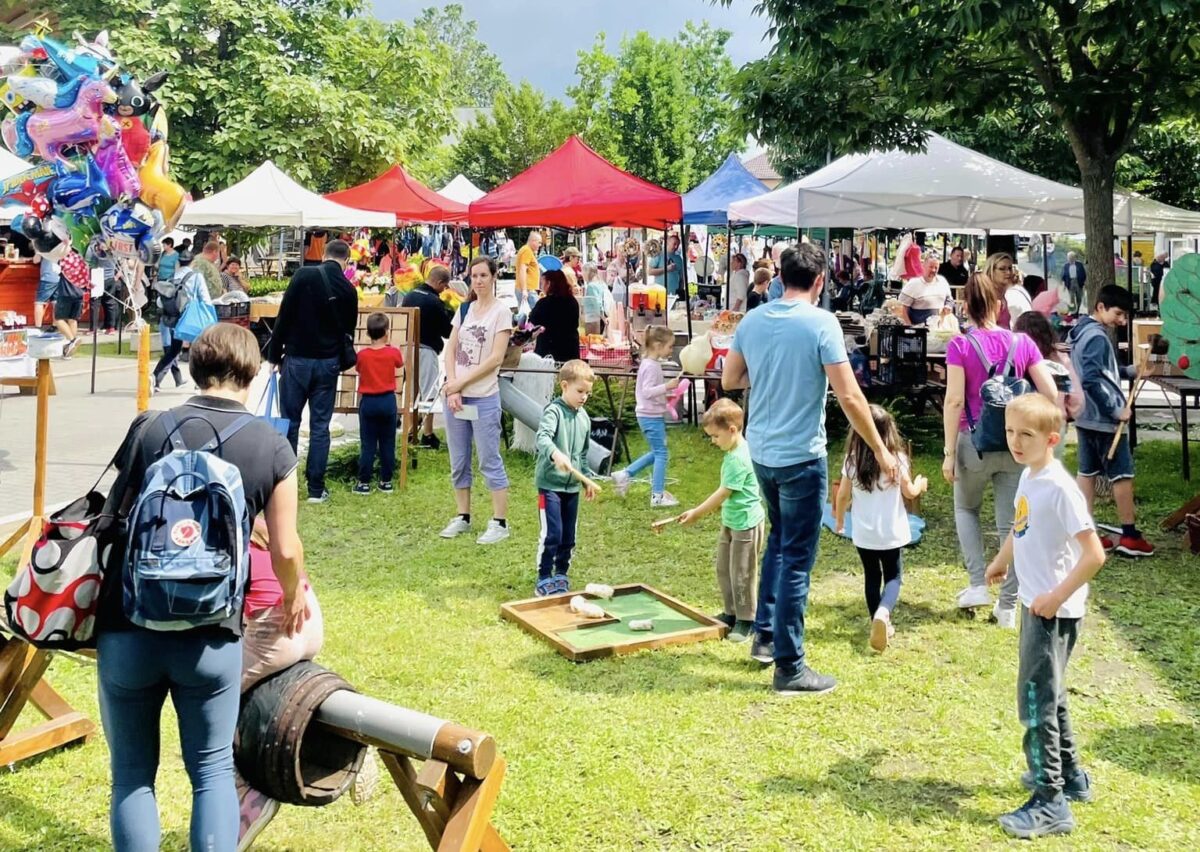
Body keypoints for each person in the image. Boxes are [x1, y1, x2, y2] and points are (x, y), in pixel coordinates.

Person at [96, 323, 307, 852]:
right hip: (211, 635)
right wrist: (292, 594)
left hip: (129, 625)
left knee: (131, 775)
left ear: (195, 367)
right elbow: (285, 549)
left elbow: (111, 518)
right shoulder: (272, 446)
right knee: (211, 772)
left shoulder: (150, 428)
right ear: (253, 373)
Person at [722, 243, 896, 694]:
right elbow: (850, 396)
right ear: (820, 280)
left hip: (762, 453)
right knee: (796, 560)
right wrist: (880, 449)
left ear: (780, 277)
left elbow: (729, 379)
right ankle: (790, 666)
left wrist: (770, 375)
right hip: (800, 456)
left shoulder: (752, 320)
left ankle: (765, 636)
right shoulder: (821, 323)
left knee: (779, 543)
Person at [984, 393, 1105, 839]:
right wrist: (1002, 560)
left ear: (1052, 439)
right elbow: (1021, 526)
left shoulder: (1059, 488)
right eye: (1010, 432)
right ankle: (1070, 777)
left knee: (1035, 702)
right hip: (1037, 603)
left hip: (1051, 612)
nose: (1015, 442)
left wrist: (1056, 597)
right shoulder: (1029, 475)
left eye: (1027, 435)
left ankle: (1049, 801)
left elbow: (1094, 555)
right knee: (1050, 694)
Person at [942, 272, 1059, 627]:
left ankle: (978, 584)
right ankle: (1007, 606)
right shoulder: (1023, 343)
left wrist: (948, 453)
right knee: (1014, 523)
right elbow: (1051, 392)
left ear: (965, 307)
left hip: (973, 442)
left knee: (966, 508)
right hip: (1016, 444)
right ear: (999, 305)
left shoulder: (959, 345)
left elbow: (954, 400)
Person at [237, 516, 324, 848]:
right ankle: (345, 738)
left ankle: (248, 794)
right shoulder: (262, 515)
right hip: (309, 614)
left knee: (211, 706)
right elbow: (289, 552)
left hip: (272, 626)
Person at [267, 238, 357, 504]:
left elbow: (283, 316)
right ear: (346, 261)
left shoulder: (303, 276)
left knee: (290, 422)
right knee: (320, 426)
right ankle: (316, 489)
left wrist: (273, 355)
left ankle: (284, 484)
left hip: (296, 359)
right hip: (328, 363)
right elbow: (348, 332)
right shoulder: (349, 290)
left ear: (324, 255)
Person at [1067, 284, 1155, 556]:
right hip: (1104, 419)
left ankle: (1086, 535)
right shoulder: (1096, 337)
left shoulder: (1081, 331)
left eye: (1125, 315)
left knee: (1087, 473)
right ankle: (1130, 537)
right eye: (1118, 314)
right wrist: (1116, 410)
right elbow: (1091, 379)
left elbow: (1104, 370)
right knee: (1122, 474)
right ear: (1100, 307)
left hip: (1085, 416)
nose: (1122, 320)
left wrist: (1130, 371)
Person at [833, 405, 928, 653]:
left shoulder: (852, 461)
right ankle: (883, 613)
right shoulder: (897, 459)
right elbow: (910, 492)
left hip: (864, 534)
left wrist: (840, 520)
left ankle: (875, 617)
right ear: (889, 432)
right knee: (893, 576)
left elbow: (842, 495)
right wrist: (920, 483)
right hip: (891, 533)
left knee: (872, 576)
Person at [677, 398, 765, 644]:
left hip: (746, 524)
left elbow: (723, 492)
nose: (713, 441)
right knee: (724, 568)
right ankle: (731, 612)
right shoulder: (733, 452)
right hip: (731, 520)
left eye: (716, 436)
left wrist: (697, 513)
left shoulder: (738, 458)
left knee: (742, 573)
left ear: (732, 430)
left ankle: (747, 619)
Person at [441, 256, 513, 545]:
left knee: (489, 459)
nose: (479, 281)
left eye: (483, 275)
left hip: (483, 396)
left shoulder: (501, 312)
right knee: (459, 459)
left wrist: (461, 383)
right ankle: (463, 515)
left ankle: (499, 521)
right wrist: (453, 386)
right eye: (474, 276)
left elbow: (495, 358)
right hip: (457, 396)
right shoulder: (465, 309)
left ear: (493, 277)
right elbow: (451, 349)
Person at [533, 359, 601, 596]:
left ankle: (561, 573)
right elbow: (542, 438)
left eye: (587, 393)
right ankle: (544, 576)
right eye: (580, 391)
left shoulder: (584, 418)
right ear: (564, 386)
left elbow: (582, 455)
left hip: (571, 488)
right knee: (552, 533)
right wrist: (555, 454)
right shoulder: (554, 412)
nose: (584, 397)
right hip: (550, 485)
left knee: (568, 535)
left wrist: (585, 479)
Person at [610, 326, 680, 507]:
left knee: (657, 452)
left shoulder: (650, 364)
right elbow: (648, 391)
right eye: (670, 346)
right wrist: (667, 387)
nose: (671, 350)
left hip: (649, 415)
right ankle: (657, 496)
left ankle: (625, 474)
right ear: (657, 345)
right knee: (661, 454)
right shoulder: (650, 366)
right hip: (650, 416)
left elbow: (649, 392)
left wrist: (665, 397)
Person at [402, 264, 453, 450]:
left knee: (412, 391)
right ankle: (428, 434)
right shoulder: (434, 302)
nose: (444, 290)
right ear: (439, 282)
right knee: (429, 392)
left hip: (407, 347)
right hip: (426, 349)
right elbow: (447, 331)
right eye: (444, 286)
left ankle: (410, 430)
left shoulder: (409, 295)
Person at [352, 312, 404, 495]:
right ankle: (386, 481)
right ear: (387, 332)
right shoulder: (393, 353)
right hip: (388, 400)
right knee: (388, 442)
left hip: (368, 401)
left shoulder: (362, 355)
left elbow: (358, 369)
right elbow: (400, 363)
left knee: (368, 444)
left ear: (367, 333)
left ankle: (363, 482)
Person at [1014, 311, 1084, 436]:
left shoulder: (1016, 358)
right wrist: (1066, 413)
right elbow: (1076, 398)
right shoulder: (1061, 359)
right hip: (1054, 421)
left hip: (1022, 420)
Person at [153, 249, 210, 391]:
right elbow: (205, 298)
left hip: (175, 319)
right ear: (193, 262)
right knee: (198, 349)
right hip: (191, 318)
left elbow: (160, 301)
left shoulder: (172, 277)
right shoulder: (196, 276)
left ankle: (154, 377)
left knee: (174, 350)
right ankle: (200, 382)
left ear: (179, 262)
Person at [530, 269, 581, 363]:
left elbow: (532, 322)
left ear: (549, 284)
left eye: (542, 283)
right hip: (570, 350)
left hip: (548, 351)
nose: (541, 287)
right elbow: (575, 324)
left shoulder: (543, 303)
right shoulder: (572, 302)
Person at [899, 252, 953, 326]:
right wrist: (909, 326)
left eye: (936, 268)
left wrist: (948, 306)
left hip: (939, 328)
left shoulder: (942, 281)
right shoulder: (913, 284)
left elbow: (949, 299)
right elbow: (902, 308)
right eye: (931, 267)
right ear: (923, 265)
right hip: (919, 329)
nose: (933, 270)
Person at [88, 241, 120, 334]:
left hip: (98, 278)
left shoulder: (98, 254)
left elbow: (91, 263)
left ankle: (94, 328)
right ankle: (111, 327)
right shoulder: (114, 253)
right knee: (110, 303)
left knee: (95, 304)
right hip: (110, 279)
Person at [515, 231, 542, 314]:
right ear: (533, 241)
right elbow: (522, 269)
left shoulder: (526, 250)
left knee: (527, 315)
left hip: (527, 289)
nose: (540, 245)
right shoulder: (527, 251)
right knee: (539, 313)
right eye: (539, 242)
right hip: (528, 289)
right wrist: (524, 290)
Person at [581, 262, 608, 335]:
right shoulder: (602, 284)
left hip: (593, 320)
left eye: (583, 272)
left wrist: (603, 318)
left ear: (587, 272)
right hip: (600, 318)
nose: (582, 274)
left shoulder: (591, 286)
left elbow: (597, 303)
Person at [34, 254, 58, 329]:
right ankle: (54, 326)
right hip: (59, 276)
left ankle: (38, 327)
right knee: (56, 302)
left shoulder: (44, 247)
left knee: (39, 302)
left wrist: (37, 252)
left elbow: (36, 260)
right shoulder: (62, 247)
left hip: (47, 277)